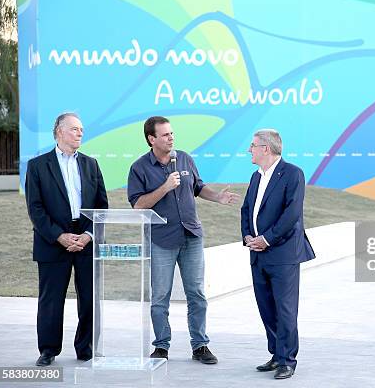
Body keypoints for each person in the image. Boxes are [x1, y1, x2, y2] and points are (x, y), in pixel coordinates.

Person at [127, 116, 239, 363]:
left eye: (172, 133)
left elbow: (198, 187)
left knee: (197, 293)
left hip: (191, 236)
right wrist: (165, 187)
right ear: (151, 139)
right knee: (160, 297)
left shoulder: (185, 158)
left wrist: (217, 197)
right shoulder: (139, 168)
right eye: (165, 135)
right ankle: (161, 346)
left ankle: (200, 345)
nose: (171, 138)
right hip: (161, 239)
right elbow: (138, 205)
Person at [25, 112, 109, 366]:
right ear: (59, 132)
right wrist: (59, 236)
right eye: (75, 129)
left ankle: (85, 348)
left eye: (81, 129)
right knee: (51, 299)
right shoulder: (38, 165)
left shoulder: (91, 164)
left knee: (88, 298)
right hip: (52, 240)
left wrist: (88, 235)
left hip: (85, 239)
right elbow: (35, 209)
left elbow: (101, 205)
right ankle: (48, 350)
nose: (80, 133)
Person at [240, 129, 315, 379]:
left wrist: (267, 239)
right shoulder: (255, 176)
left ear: (266, 149)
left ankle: (287, 360)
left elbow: (291, 214)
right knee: (266, 307)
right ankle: (276, 354)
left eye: (253, 145)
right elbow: (246, 209)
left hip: (283, 254)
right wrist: (248, 237)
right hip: (258, 254)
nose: (249, 150)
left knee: (285, 309)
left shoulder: (293, 174)